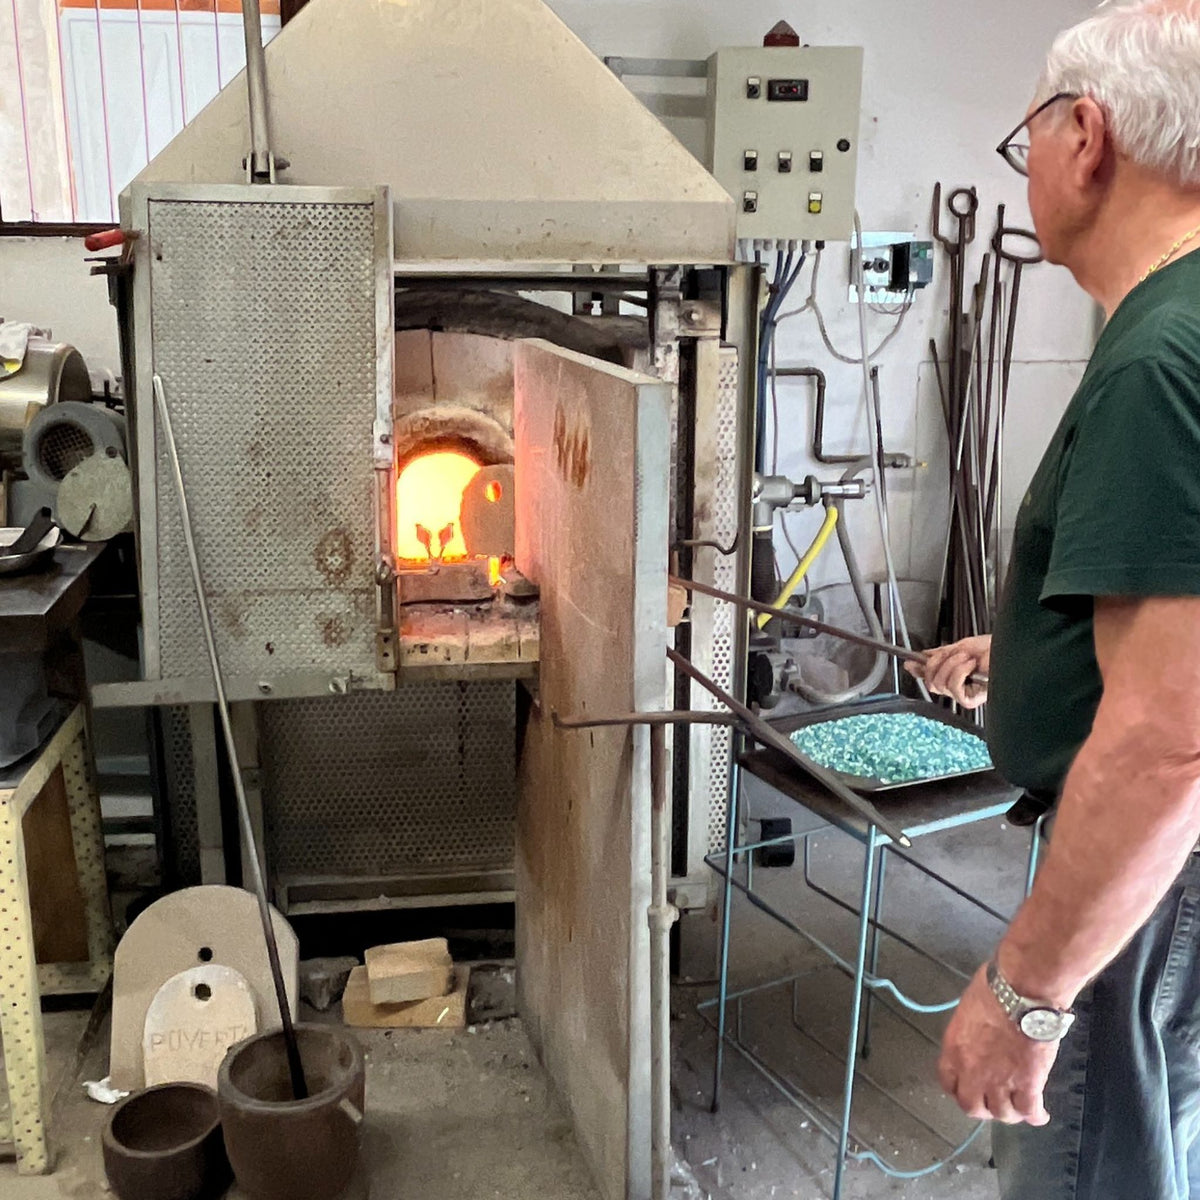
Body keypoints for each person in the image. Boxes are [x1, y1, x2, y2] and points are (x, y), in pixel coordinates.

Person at [905, 2, 1200, 1196]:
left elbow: (1170, 739)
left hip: (1153, 879)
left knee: (1091, 1173)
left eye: (1024, 131)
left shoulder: (1159, 359)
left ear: (1088, 135)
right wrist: (1034, 647)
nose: (1021, 161)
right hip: (1171, 873)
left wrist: (1025, 991)